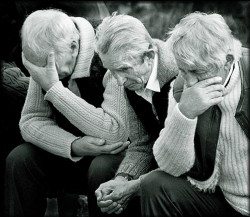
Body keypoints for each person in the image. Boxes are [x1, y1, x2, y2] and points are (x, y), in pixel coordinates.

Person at [4, 9, 130, 217]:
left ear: (74, 46)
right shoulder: (46, 51)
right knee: (20, 159)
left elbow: (116, 133)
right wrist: (74, 146)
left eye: (49, 66)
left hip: (119, 156)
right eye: (38, 67)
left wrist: (54, 90)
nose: (44, 72)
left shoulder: (112, 45)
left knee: (102, 167)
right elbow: (30, 120)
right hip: (75, 153)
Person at [139, 12, 249, 216]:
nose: (189, 82)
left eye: (197, 72)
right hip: (222, 198)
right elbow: (171, 167)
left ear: (227, 60)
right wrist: (185, 113)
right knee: (155, 185)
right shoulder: (182, 90)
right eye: (183, 70)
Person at [93, 13, 179, 216]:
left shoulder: (181, 77)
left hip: (190, 169)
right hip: (159, 159)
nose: (119, 81)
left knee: (150, 189)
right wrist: (123, 179)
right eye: (111, 71)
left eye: (123, 69)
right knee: (105, 177)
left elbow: (190, 159)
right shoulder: (131, 79)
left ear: (149, 56)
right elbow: (142, 143)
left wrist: (135, 186)